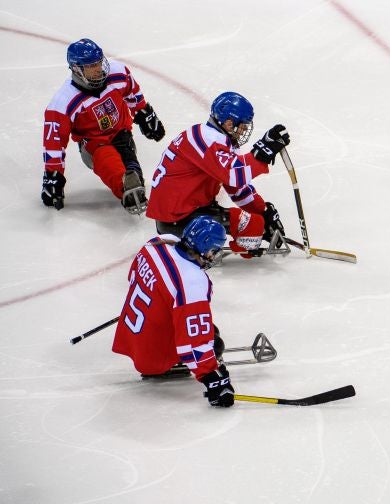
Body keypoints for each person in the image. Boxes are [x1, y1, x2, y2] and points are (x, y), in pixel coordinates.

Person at [145, 91, 289, 257]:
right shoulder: (205, 139)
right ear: (229, 123)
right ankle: (199, 248)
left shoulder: (214, 139)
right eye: (242, 127)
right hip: (176, 221)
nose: (242, 133)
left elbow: (236, 187)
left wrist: (262, 211)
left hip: (188, 210)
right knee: (251, 228)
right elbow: (233, 174)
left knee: (255, 224)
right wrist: (262, 152)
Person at [112, 215, 235, 407]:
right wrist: (212, 378)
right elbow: (195, 340)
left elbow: (132, 277)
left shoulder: (156, 244)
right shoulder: (191, 282)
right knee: (214, 340)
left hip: (130, 335)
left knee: (200, 325)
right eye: (214, 251)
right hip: (152, 357)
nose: (214, 256)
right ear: (205, 248)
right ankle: (165, 363)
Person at [42, 38, 166, 214]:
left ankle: (134, 180)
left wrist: (144, 112)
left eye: (99, 63)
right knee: (105, 156)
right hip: (93, 144)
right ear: (77, 69)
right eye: (91, 66)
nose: (98, 69)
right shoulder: (63, 102)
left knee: (128, 156)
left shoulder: (118, 72)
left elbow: (132, 91)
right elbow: (54, 143)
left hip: (121, 133)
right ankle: (124, 187)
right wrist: (53, 176)